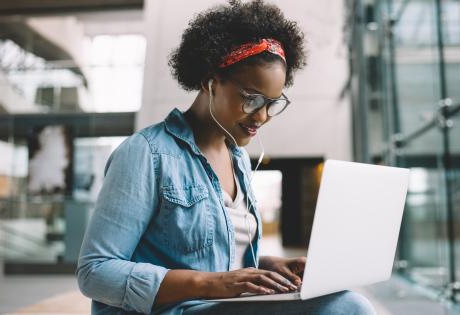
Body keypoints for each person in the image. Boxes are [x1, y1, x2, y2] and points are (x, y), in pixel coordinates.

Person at [77, 1, 376, 314]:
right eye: (251, 99)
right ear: (211, 82)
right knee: (346, 308)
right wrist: (209, 284)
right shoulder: (145, 154)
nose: (261, 117)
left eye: (272, 103)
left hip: (221, 306)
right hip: (177, 309)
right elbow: (95, 272)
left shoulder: (239, 160)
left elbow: (216, 257)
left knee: (342, 301)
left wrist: (268, 268)